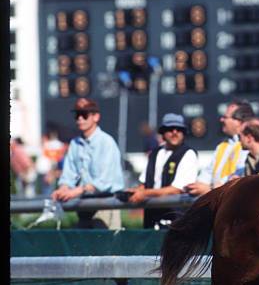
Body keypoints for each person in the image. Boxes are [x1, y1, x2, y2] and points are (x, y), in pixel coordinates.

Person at [51, 98, 124, 229]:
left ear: (96, 117)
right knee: (83, 247)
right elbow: (69, 174)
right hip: (84, 206)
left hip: (106, 204)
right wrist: (62, 189)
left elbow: (104, 181)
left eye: (84, 115)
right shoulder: (75, 143)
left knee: (106, 248)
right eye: (77, 115)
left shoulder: (107, 142)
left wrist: (77, 191)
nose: (80, 118)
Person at [127, 113, 198, 228]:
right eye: (170, 129)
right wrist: (134, 192)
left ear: (184, 133)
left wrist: (143, 193)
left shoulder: (188, 154)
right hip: (152, 217)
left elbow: (176, 190)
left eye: (179, 129)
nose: (175, 132)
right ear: (163, 132)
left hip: (176, 218)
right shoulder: (155, 153)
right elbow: (145, 183)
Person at [185, 99, 255, 196]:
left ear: (239, 122)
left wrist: (209, 190)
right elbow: (207, 174)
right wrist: (196, 187)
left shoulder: (249, 147)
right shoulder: (222, 146)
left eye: (225, 117)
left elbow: (239, 180)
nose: (221, 120)